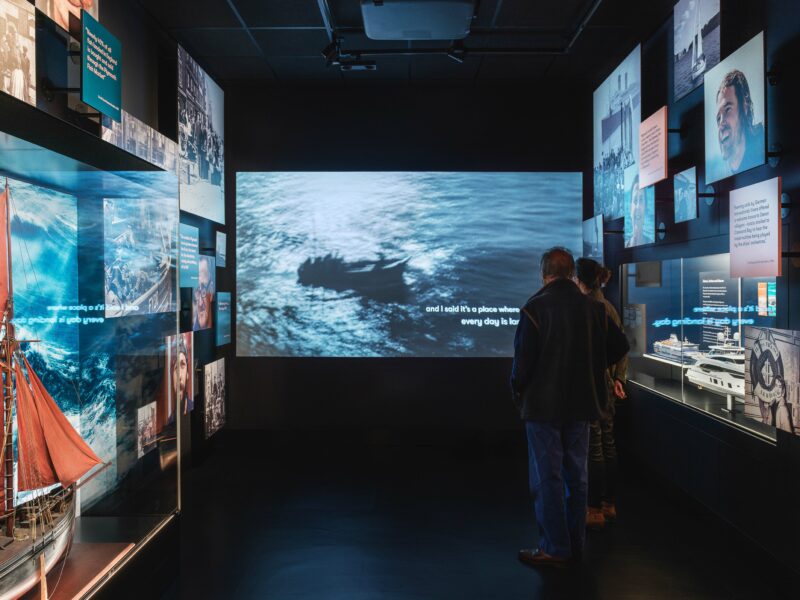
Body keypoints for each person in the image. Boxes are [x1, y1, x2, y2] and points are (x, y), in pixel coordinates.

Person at [511, 247, 629, 567]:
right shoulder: (594, 308)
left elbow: (521, 367)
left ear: (543, 273)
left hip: (543, 409)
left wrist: (519, 394)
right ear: (570, 275)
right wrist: (593, 368)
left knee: (546, 479)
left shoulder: (534, 309)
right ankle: (576, 543)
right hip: (583, 406)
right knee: (577, 477)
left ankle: (554, 547)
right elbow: (621, 346)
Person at [575, 259, 629, 530]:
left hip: (593, 386)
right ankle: (609, 504)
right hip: (607, 386)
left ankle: (594, 508)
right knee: (608, 444)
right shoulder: (608, 306)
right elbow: (623, 345)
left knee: (594, 447)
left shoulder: (590, 308)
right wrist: (618, 377)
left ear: (578, 280)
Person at [715, 69, 764, 176]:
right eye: (718, 118)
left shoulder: (763, 143)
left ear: (744, 107)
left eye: (728, 109)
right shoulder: (720, 174)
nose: (721, 124)